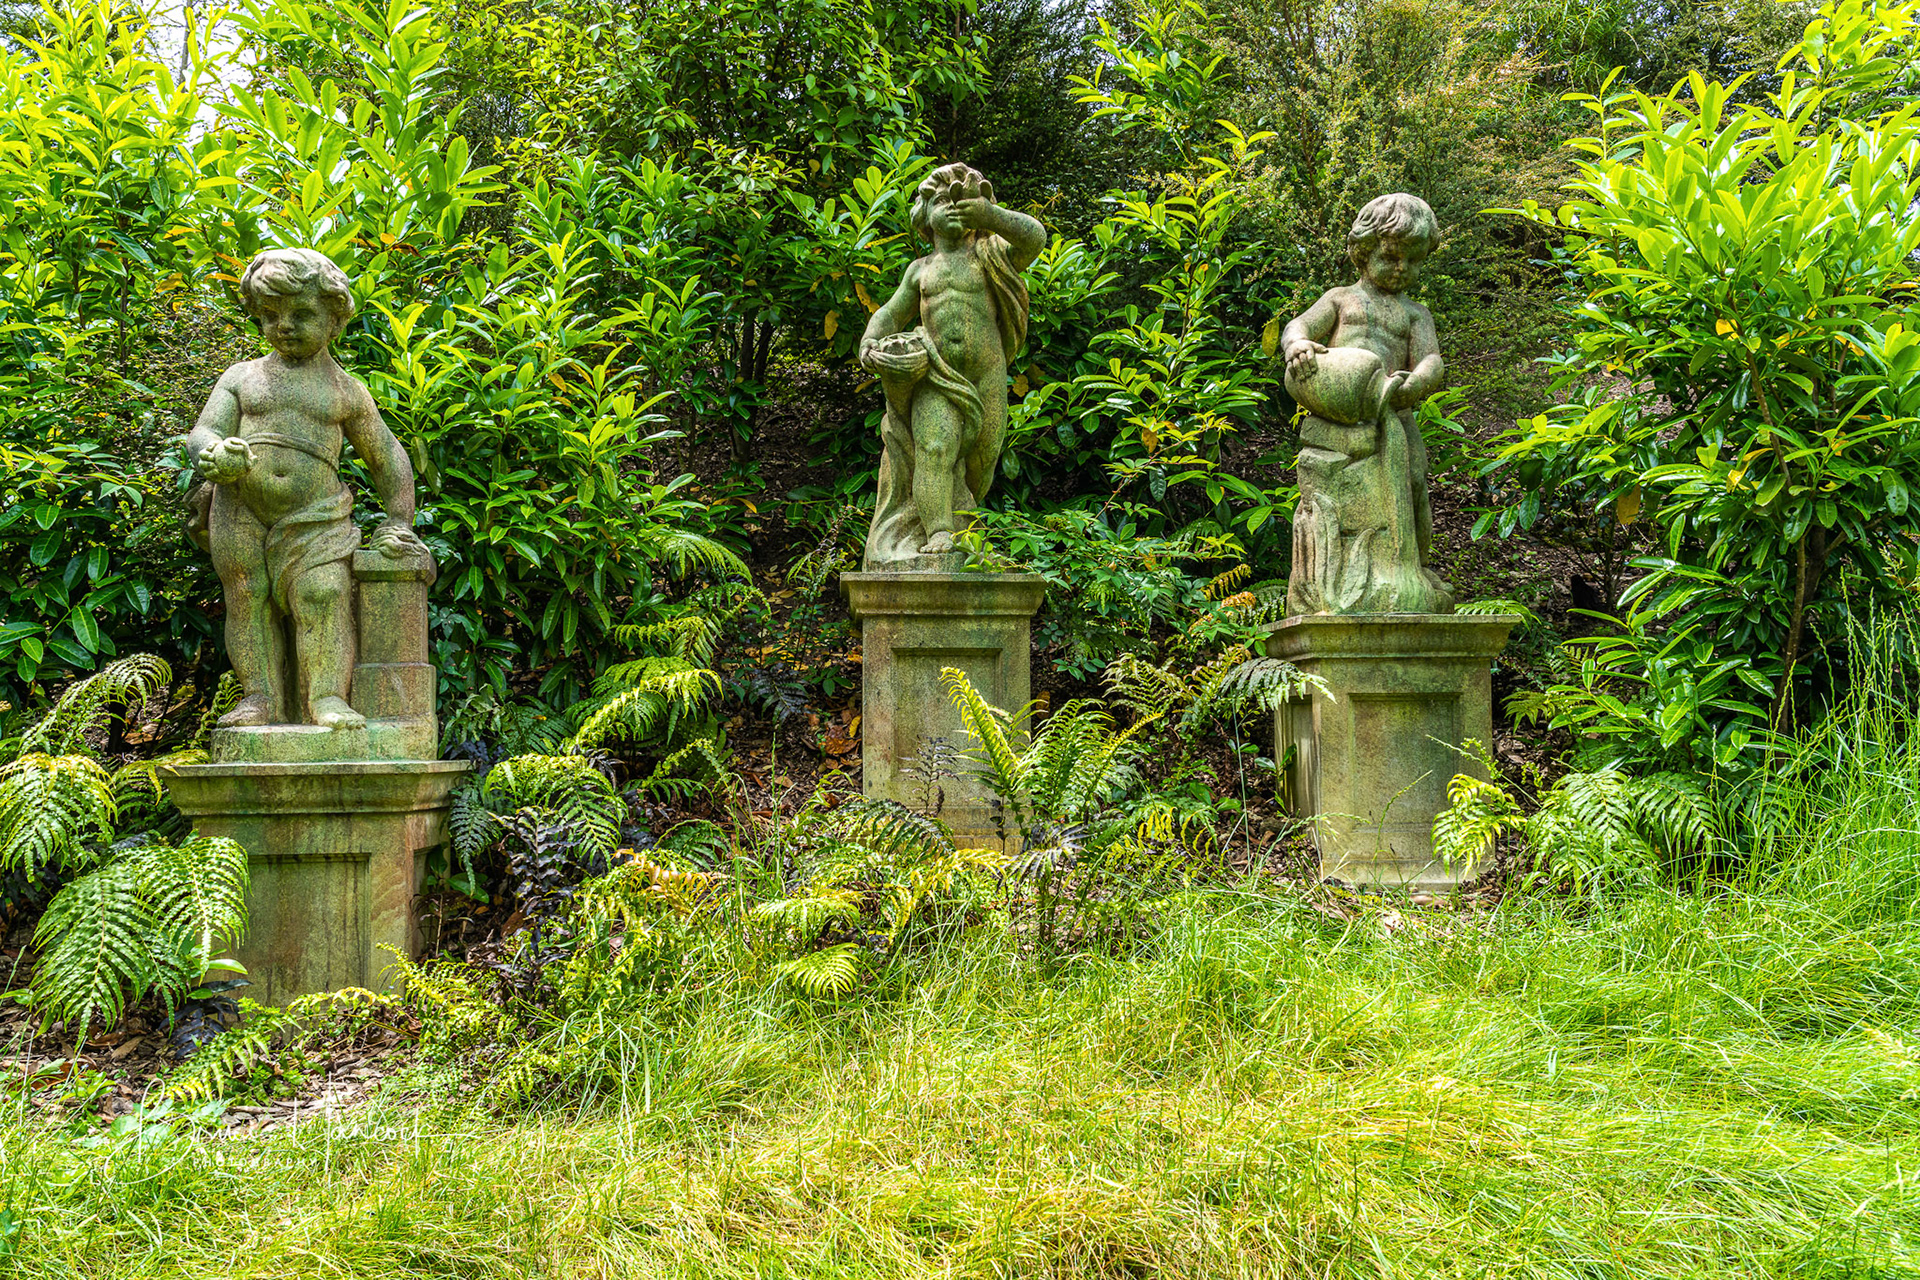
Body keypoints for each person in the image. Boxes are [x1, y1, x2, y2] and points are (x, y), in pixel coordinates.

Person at [184, 248, 427, 730]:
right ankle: (259, 697)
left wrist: (398, 520)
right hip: (240, 508)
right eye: (270, 314)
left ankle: (328, 697)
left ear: (334, 319)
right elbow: (203, 432)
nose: (284, 326)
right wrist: (214, 452)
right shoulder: (242, 377)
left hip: (318, 515)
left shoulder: (345, 390)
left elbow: (387, 457)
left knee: (324, 594)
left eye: (301, 314)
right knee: (247, 597)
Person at [858, 163, 1045, 566]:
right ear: (924, 214)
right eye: (943, 199)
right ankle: (939, 531)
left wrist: (991, 216)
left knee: (983, 461)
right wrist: (870, 341)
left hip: (986, 375)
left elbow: (1034, 237)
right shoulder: (920, 271)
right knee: (935, 448)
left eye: (964, 199)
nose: (954, 206)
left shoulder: (993, 256)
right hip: (936, 374)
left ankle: (963, 522)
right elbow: (891, 313)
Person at [1281, 193, 1453, 613]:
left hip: (1395, 411)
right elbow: (1299, 325)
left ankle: (1417, 565)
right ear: (1363, 251)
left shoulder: (1415, 314)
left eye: (1413, 261)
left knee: (1414, 483)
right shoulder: (1341, 299)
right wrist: (1297, 345)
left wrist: (1417, 382)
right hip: (1340, 414)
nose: (1402, 268)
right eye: (1391, 257)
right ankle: (1341, 570)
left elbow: (1432, 359)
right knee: (1335, 492)